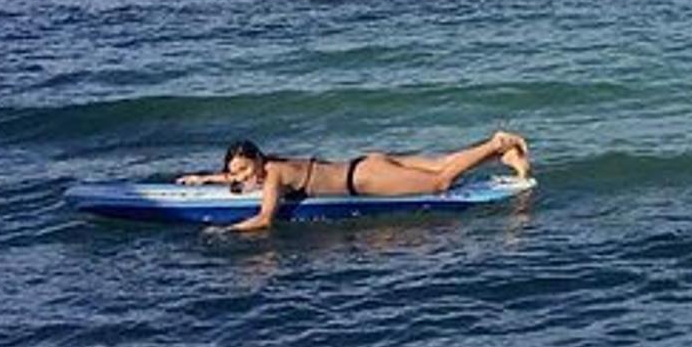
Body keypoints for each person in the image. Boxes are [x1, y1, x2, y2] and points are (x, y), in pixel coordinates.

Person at [178, 131, 531, 233]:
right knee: (441, 163)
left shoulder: (272, 175)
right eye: (234, 172)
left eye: (243, 169)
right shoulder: (269, 164)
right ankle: (500, 155)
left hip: (363, 180)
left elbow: (265, 219)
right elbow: (237, 175)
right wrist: (206, 178)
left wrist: (226, 231)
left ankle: (497, 142)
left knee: (440, 182)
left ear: (258, 160)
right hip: (366, 164)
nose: (239, 178)